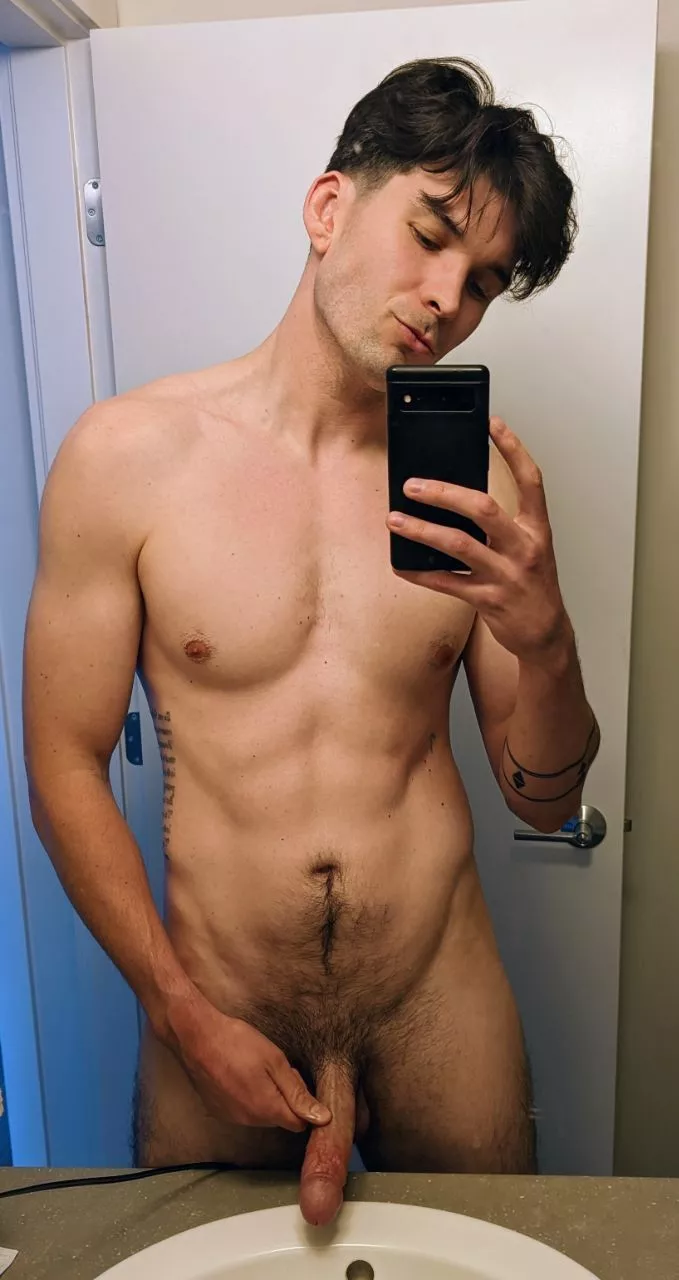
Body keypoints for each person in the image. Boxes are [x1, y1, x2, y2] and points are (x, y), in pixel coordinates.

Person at [23, 57, 599, 1228]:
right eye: (428, 235)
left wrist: (545, 645)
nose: (446, 298)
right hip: (219, 1001)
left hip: (438, 999)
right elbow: (62, 763)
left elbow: (541, 800)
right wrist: (179, 1011)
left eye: (481, 283)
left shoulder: (476, 491)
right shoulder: (125, 459)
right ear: (329, 207)